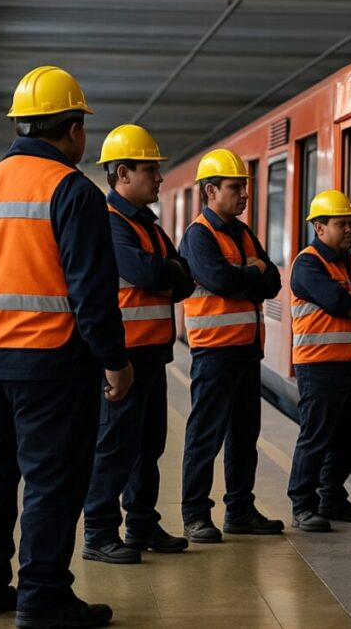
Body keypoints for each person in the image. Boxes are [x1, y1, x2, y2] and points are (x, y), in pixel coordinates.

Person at [0, 66, 132, 629]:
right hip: (53, 364)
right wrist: (114, 361)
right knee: (52, 479)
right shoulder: (71, 190)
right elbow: (92, 292)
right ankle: (43, 598)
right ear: (72, 129)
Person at [81, 124, 195, 565]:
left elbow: (183, 276)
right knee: (113, 448)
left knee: (148, 446)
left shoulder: (146, 224)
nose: (160, 179)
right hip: (123, 356)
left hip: (153, 354)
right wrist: (169, 272)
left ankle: (142, 523)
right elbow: (150, 274)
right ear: (123, 173)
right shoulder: (109, 223)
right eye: (152, 170)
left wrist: (168, 271)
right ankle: (99, 533)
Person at [179, 148, 283, 542]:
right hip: (214, 351)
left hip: (245, 351)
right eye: (235, 187)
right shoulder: (197, 236)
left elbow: (272, 281)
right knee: (205, 435)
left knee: (244, 436)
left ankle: (239, 509)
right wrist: (250, 271)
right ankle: (195, 514)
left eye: (244, 187)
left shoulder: (242, 232)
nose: (243, 195)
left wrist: (249, 273)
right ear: (210, 191)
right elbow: (219, 280)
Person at [287, 190, 351, 532]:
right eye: (341, 223)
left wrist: (349, 299)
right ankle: (302, 505)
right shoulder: (308, 263)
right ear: (319, 227)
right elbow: (336, 302)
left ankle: (331, 498)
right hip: (318, 365)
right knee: (315, 437)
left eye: (350, 224)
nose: (348, 230)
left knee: (345, 438)